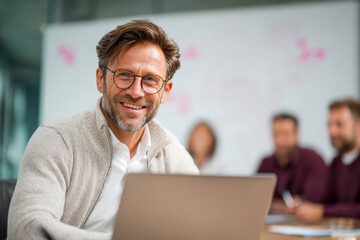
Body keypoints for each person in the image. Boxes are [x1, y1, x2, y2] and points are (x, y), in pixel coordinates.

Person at [8, 20, 198, 239]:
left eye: (150, 80)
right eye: (124, 75)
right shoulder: (56, 140)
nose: (136, 92)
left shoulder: (173, 155)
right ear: (101, 79)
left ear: (165, 91)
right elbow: (27, 228)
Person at [295, 99, 360, 222]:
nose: (332, 131)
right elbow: (325, 199)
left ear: (358, 125)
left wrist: (322, 211)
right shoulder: (336, 162)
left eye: (339, 124)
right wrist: (302, 203)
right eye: (329, 125)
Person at [257, 113, 328, 213]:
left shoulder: (312, 159)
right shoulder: (266, 163)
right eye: (276, 134)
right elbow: (256, 200)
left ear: (296, 134)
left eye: (285, 134)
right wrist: (283, 207)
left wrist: (297, 203)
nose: (280, 141)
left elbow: (316, 200)